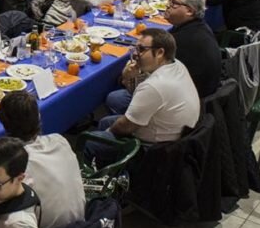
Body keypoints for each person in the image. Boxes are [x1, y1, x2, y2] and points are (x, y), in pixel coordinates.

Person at [0, 92, 85, 228]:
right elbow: (17, 157)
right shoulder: (60, 140)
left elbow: (13, 161)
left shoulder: (16, 169)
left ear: (3, 123)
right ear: (39, 116)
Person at [86, 30, 201, 165]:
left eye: (141, 49)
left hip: (157, 151)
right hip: (174, 133)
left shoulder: (155, 85)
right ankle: (103, 162)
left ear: (160, 52)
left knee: (91, 140)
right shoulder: (175, 65)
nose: (135, 54)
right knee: (108, 117)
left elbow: (125, 127)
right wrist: (129, 78)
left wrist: (107, 133)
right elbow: (138, 95)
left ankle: (95, 170)